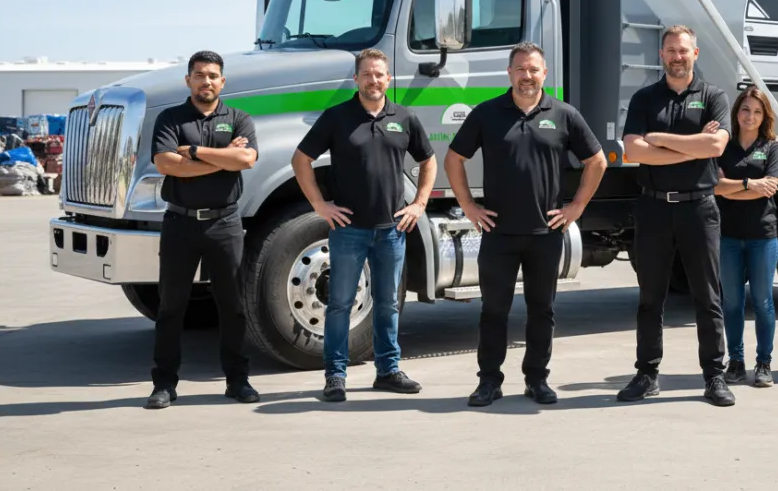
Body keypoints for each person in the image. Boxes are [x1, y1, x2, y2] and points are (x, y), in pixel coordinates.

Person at [445, 42, 606, 407]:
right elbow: (454, 159)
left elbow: (596, 161)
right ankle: (489, 381)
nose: (527, 76)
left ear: (544, 74)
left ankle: (537, 379)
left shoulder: (563, 114)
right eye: (520, 69)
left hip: (545, 234)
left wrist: (576, 207)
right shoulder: (487, 113)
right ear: (509, 73)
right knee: (493, 311)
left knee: (542, 310)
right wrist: (468, 206)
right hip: (498, 233)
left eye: (534, 69)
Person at [292, 49, 436, 402]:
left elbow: (429, 160)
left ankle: (388, 371)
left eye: (379, 74)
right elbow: (301, 159)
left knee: (387, 304)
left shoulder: (404, 117)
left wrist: (419, 204)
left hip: (392, 230)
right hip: (349, 230)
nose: (374, 80)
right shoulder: (337, 117)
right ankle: (335, 375)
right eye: (367, 74)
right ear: (356, 79)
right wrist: (319, 205)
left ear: (389, 79)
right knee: (340, 304)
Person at [617, 25, 735, 407]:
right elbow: (633, 151)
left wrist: (660, 140)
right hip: (653, 208)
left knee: (708, 296)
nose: (677, 56)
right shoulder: (645, 98)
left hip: (699, 208)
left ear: (695, 53)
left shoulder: (714, 96)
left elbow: (716, 144)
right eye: (670, 50)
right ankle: (647, 374)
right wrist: (693, 148)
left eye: (683, 50)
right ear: (661, 55)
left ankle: (714, 376)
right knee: (650, 297)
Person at [146, 50, 260, 409]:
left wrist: (194, 151)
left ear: (222, 81)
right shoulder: (170, 118)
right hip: (179, 223)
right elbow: (167, 164)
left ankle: (237, 381)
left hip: (225, 223)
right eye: (199, 75)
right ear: (188, 80)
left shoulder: (238, 118)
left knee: (233, 306)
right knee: (171, 307)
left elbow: (247, 159)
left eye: (212, 76)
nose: (206, 81)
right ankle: (164, 384)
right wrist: (223, 159)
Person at [714, 87, 778, 388]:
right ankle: (736, 361)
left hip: (762, 237)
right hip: (727, 237)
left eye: (757, 111)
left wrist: (733, 188)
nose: (750, 116)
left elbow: (770, 187)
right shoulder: (724, 147)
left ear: (764, 115)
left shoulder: (772, 147)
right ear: (737, 112)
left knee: (763, 300)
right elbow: (714, 187)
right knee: (731, 302)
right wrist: (749, 184)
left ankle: (764, 363)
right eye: (745, 109)